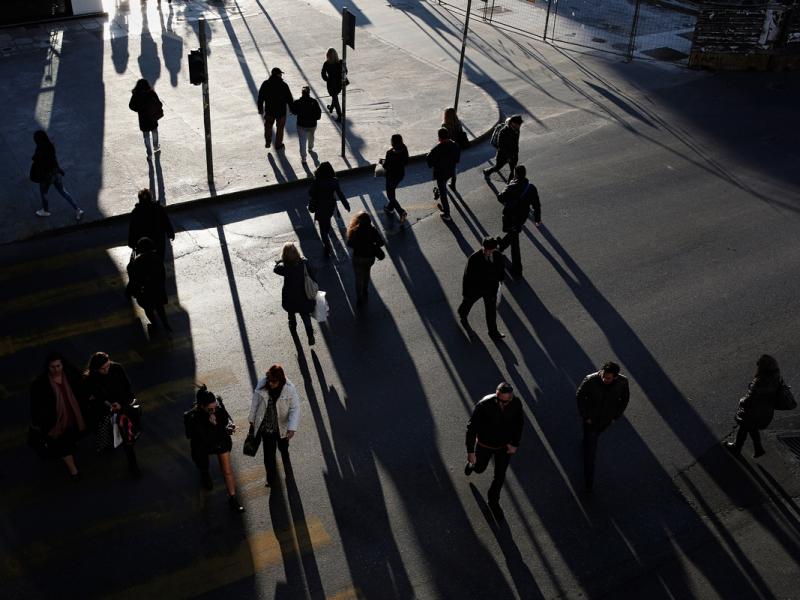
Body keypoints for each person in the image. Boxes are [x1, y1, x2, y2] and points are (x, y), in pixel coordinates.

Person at [464, 382, 524, 521]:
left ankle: (493, 501)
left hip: (504, 447)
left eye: (505, 401)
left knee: (500, 475)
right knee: (479, 469)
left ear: (511, 396)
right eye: (499, 400)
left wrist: (515, 444)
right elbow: (471, 429)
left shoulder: (516, 403)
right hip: (485, 445)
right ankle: (473, 465)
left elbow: (519, 424)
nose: (502, 404)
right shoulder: (484, 405)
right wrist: (470, 452)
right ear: (496, 395)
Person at [185, 385, 245, 512]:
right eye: (210, 409)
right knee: (203, 464)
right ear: (202, 407)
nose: (214, 409)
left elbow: (226, 417)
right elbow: (202, 438)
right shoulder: (194, 418)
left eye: (215, 406)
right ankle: (205, 473)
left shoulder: (217, 406)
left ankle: (233, 499)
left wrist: (229, 425)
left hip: (220, 440)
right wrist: (211, 424)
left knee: (227, 471)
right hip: (203, 445)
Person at [29, 352, 87, 480]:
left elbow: (82, 390)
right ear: (47, 367)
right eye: (52, 367)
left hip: (74, 416)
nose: (56, 369)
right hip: (55, 422)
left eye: (58, 366)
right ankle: (74, 471)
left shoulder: (71, 374)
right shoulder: (40, 384)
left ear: (62, 365)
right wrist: (43, 423)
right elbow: (37, 407)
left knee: (71, 439)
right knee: (62, 444)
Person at [83, 352, 141, 477]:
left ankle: (133, 465)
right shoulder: (90, 379)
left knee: (127, 438)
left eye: (108, 366)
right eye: (103, 369)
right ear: (95, 369)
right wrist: (106, 404)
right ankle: (107, 444)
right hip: (104, 411)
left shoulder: (117, 368)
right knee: (105, 431)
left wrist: (120, 404)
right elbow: (92, 397)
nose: (106, 370)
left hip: (121, 408)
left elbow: (127, 388)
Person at [576, 361, 630, 493]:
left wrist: (615, 417)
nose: (605, 379)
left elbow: (624, 399)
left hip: (606, 421)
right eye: (604, 376)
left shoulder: (623, 382)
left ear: (615, 377)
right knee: (590, 454)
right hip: (591, 421)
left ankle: (586, 442)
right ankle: (589, 483)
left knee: (591, 438)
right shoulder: (591, 379)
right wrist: (586, 416)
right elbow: (580, 395)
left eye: (609, 378)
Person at [725, 355, 792, 458]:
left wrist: (741, 401)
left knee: (743, 426)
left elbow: (749, 399)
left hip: (753, 412)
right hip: (766, 412)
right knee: (751, 427)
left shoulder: (759, 382)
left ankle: (737, 447)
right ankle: (757, 448)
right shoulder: (777, 378)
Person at [249, 365, 301, 488]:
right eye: (269, 380)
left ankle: (287, 465)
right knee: (268, 456)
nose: (270, 383)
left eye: (273, 381)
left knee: (283, 448)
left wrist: (292, 428)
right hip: (267, 427)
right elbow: (255, 402)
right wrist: (251, 419)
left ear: (280, 380)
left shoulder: (289, 389)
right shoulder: (262, 385)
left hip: (282, 427)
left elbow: (295, 408)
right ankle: (271, 479)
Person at [496, 165, 541, 277]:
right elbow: (536, 205)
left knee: (515, 243)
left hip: (511, 217)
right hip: (521, 218)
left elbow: (500, 197)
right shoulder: (531, 187)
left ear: (516, 174)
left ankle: (517, 270)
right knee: (513, 234)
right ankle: (501, 245)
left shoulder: (512, 186)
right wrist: (537, 219)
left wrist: (509, 185)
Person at [458, 237, 506, 340]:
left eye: (490, 250)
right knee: (468, 302)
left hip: (491, 288)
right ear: (483, 247)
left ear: (494, 249)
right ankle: (462, 313)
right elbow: (467, 277)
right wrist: (466, 293)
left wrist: (501, 279)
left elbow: (501, 269)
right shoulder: (474, 259)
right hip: (476, 289)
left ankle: (493, 333)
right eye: (486, 250)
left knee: (491, 311)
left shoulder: (498, 255)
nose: (488, 252)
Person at [30, 130, 84, 220]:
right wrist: (59, 169)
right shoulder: (50, 145)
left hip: (46, 177)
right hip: (55, 172)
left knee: (44, 193)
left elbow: (36, 160)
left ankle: (45, 211)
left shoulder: (39, 149)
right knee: (63, 191)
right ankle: (77, 209)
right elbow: (54, 159)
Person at [274, 242, 317, 346]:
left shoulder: (284, 267)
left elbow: (275, 269)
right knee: (305, 316)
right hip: (304, 296)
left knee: (291, 313)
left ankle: (292, 326)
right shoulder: (304, 263)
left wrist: (281, 261)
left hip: (290, 297)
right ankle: (310, 335)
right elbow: (313, 275)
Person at [125, 236, 172, 332]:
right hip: (158, 289)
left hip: (145, 291)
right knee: (159, 307)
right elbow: (162, 274)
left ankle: (154, 324)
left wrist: (132, 291)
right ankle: (165, 323)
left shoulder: (138, 262)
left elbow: (134, 277)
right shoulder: (157, 258)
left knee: (148, 309)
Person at [308, 161, 350, 256]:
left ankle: (327, 246)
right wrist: (346, 205)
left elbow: (310, 193)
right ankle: (327, 232)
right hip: (330, 206)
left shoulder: (316, 181)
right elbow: (340, 194)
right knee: (326, 221)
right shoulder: (334, 181)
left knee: (322, 229)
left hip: (319, 206)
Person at [346, 211, 386, 306]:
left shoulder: (355, 230)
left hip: (358, 257)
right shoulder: (372, 230)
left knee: (358, 278)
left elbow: (349, 244)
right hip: (370, 257)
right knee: (367, 272)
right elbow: (381, 243)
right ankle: (365, 289)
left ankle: (359, 298)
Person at [127, 188, 175, 258]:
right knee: (159, 261)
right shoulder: (159, 208)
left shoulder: (136, 212)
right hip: (158, 243)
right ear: (151, 198)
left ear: (139, 199)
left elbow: (132, 229)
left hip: (142, 246)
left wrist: (131, 243)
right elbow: (166, 222)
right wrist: (170, 233)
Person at [426, 127, 461, 221]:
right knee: (443, 187)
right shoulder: (455, 145)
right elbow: (457, 159)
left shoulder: (436, 148)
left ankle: (447, 213)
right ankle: (451, 186)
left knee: (443, 193)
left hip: (440, 173)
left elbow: (429, 161)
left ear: (439, 137)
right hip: (451, 171)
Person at [257, 67, 294, 150]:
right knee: (280, 128)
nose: (281, 75)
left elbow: (260, 97)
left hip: (269, 110)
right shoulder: (283, 85)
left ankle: (268, 141)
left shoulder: (266, 84)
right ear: (277, 74)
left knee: (268, 126)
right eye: (280, 74)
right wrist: (292, 109)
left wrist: (260, 108)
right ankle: (278, 144)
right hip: (281, 112)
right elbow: (289, 98)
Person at [128, 78, 164, 159]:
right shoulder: (151, 93)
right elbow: (159, 103)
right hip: (152, 117)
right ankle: (155, 146)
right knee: (154, 132)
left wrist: (139, 109)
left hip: (143, 119)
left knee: (146, 136)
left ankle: (149, 153)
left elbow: (131, 106)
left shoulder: (136, 94)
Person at [484, 114, 522, 183]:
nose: (519, 125)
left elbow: (516, 142)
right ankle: (487, 172)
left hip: (513, 154)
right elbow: (501, 146)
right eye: (518, 124)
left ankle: (510, 184)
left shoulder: (517, 130)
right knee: (497, 168)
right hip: (503, 155)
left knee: (512, 169)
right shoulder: (503, 131)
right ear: (513, 123)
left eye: (520, 124)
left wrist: (516, 152)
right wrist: (508, 157)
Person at [380, 134, 409, 222]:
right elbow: (406, 162)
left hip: (391, 176)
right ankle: (390, 207)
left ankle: (401, 212)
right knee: (392, 191)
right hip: (400, 175)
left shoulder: (389, 153)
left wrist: (381, 162)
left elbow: (386, 166)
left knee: (390, 195)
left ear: (393, 142)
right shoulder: (404, 148)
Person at [291, 85, 322, 164]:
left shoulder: (298, 102)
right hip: (312, 124)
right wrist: (315, 118)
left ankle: (303, 158)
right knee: (311, 137)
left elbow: (294, 111)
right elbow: (318, 114)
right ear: (309, 93)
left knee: (302, 141)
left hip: (301, 124)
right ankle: (310, 148)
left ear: (302, 93)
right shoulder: (314, 102)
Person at [441, 107, 467, 191]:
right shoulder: (458, 123)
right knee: (453, 166)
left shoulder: (444, 126)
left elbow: (443, 138)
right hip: (457, 148)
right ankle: (453, 184)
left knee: (445, 167)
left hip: (447, 149)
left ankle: (443, 183)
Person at [321, 48, 345, 123]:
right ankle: (331, 108)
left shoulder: (326, 63)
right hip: (338, 84)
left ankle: (339, 116)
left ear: (328, 55)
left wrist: (327, 79)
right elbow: (345, 71)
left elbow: (323, 73)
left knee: (335, 99)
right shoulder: (340, 62)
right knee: (335, 97)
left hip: (331, 84)